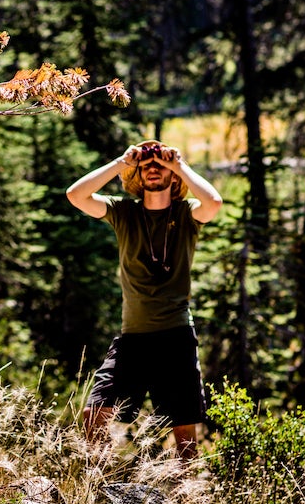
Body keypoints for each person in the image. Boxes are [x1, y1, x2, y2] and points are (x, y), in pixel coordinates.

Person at [65, 140, 224, 459]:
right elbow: (75, 195)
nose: (154, 169)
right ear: (137, 176)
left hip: (175, 334)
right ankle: (98, 489)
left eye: (161, 166)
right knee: (94, 413)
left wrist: (178, 164)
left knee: (184, 430)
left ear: (174, 177)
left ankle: (188, 501)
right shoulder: (123, 212)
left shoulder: (186, 212)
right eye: (147, 166)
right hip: (133, 337)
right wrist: (121, 162)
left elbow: (214, 202)